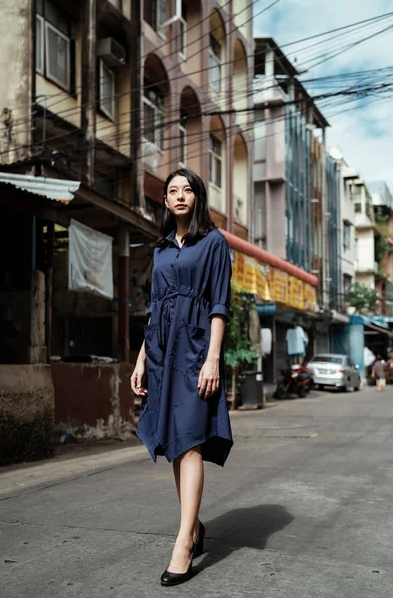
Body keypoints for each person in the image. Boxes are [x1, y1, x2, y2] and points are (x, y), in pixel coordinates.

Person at [130, 168, 233, 586]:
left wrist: (212, 359)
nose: (178, 196)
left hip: (194, 353)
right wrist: (140, 359)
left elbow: (219, 306)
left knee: (190, 442)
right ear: (166, 201)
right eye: (171, 191)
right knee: (174, 444)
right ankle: (194, 526)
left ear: (197, 196)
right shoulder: (159, 250)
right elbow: (155, 310)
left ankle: (184, 543)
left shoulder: (214, 243)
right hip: (159, 354)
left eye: (186, 189)